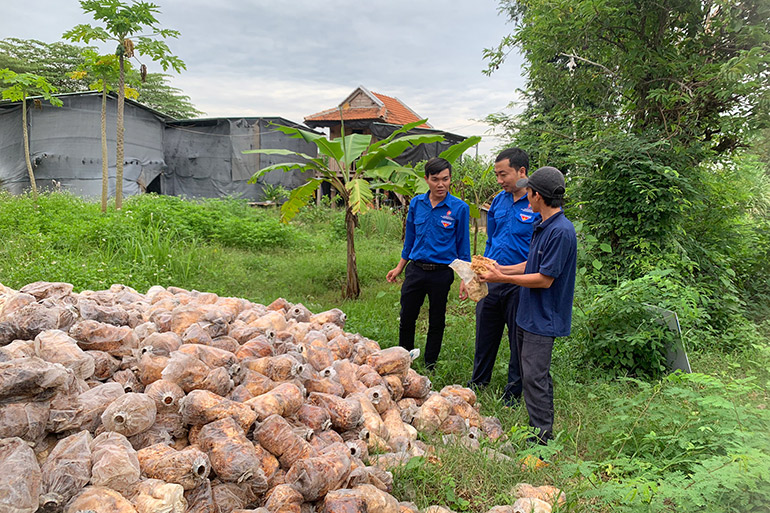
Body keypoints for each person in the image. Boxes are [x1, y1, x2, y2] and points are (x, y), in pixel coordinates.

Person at [479, 166, 577, 444]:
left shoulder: (561, 231)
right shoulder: (542, 225)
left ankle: (542, 441)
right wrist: (502, 270)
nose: (527, 195)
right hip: (528, 313)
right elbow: (531, 264)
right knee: (529, 374)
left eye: (530, 191)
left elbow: (545, 279)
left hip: (543, 318)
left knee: (535, 378)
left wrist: (502, 278)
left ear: (537, 196)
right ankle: (535, 431)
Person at [461, 148, 538, 406]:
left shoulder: (537, 202)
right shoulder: (498, 201)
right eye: (497, 175)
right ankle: (478, 383)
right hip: (491, 279)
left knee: (518, 339)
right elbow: (491, 241)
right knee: (485, 333)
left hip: (519, 283)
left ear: (522, 172)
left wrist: (510, 274)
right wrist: (476, 273)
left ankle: (513, 393)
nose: (500, 180)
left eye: (503, 174)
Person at [387, 157, 471, 370]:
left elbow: (463, 246)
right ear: (426, 179)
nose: (441, 184)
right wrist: (399, 267)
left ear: (450, 179)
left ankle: (430, 364)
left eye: (445, 179)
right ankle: (404, 360)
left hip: (441, 274)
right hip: (416, 270)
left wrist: (466, 278)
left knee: (437, 319)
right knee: (407, 316)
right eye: (435, 179)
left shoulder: (459, 208)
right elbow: (410, 239)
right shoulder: (416, 203)